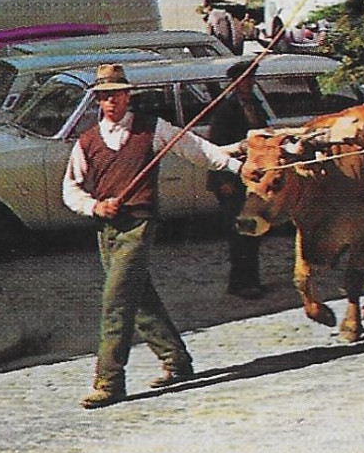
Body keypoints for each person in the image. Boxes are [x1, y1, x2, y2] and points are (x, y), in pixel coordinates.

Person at [62, 63, 245, 409]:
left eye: (115, 95)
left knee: (116, 302)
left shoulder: (153, 129)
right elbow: (70, 190)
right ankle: (178, 362)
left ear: (127, 95)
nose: (110, 102)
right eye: (103, 97)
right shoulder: (87, 142)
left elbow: (197, 150)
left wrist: (237, 167)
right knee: (139, 297)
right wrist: (95, 207)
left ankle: (109, 381)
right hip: (107, 230)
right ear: (97, 101)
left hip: (140, 226)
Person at [207, 59, 267, 299]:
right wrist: (224, 181)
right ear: (235, 84)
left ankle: (249, 279)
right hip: (231, 179)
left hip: (251, 177)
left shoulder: (255, 106)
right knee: (240, 232)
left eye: (251, 79)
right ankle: (242, 282)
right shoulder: (225, 110)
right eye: (244, 80)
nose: (249, 84)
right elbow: (217, 148)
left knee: (254, 229)